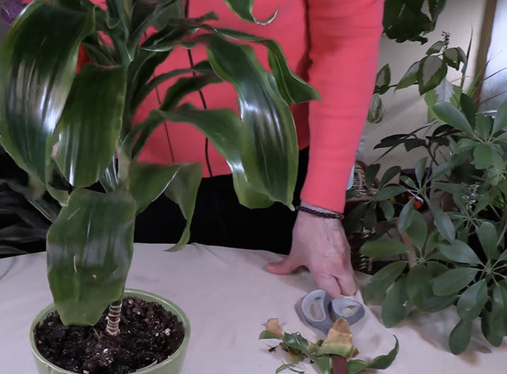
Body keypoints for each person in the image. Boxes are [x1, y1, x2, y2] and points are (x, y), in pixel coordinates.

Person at [128, 0, 384, 299]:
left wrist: (321, 208)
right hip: (127, 171)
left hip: (272, 169)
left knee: (274, 319)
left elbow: (347, 39)